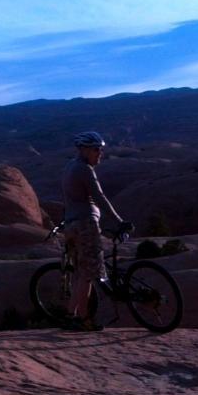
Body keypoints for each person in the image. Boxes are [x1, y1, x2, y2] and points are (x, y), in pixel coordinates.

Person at [60, 131, 133, 330]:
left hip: (72, 225)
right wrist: (118, 221)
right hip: (86, 225)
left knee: (82, 273)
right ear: (83, 150)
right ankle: (83, 320)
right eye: (95, 150)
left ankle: (70, 315)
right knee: (89, 274)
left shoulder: (69, 167)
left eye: (100, 149)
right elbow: (99, 197)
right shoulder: (84, 170)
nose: (99, 153)